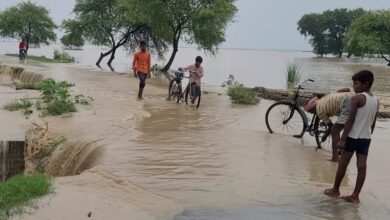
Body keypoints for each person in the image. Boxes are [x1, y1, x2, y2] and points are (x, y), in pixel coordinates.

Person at [324, 70, 378, 203]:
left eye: (356, 83)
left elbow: (350, 120)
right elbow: (374, 121)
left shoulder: (357, 98)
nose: (354, 86)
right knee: (362, 167)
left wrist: (342, 139)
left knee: (342, 163)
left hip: (352, 137)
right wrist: (370, 131)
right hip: (366, 138)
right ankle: (355, 195)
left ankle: (335, 190)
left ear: (366, 84)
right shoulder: (376, 99)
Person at [304, 88, 354, 162]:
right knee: (348, 128)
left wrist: (325, 136)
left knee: (335, 131)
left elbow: (331, 126)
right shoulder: (327, 96)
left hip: (346, 103)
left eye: (311, 112)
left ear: (313, 108)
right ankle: (343, 154)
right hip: (352, 95)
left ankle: (335, 158)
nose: (312, 113)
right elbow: (348, 89)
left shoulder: (319, 111)